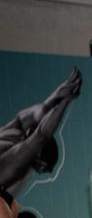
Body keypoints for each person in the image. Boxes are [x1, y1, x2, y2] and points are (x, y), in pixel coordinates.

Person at [0, 69, 82, 198]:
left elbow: (42, 111)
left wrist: (57, 97)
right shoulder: (15, 162)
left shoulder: (15, 131)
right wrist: (63, 102)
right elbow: (41, 135)